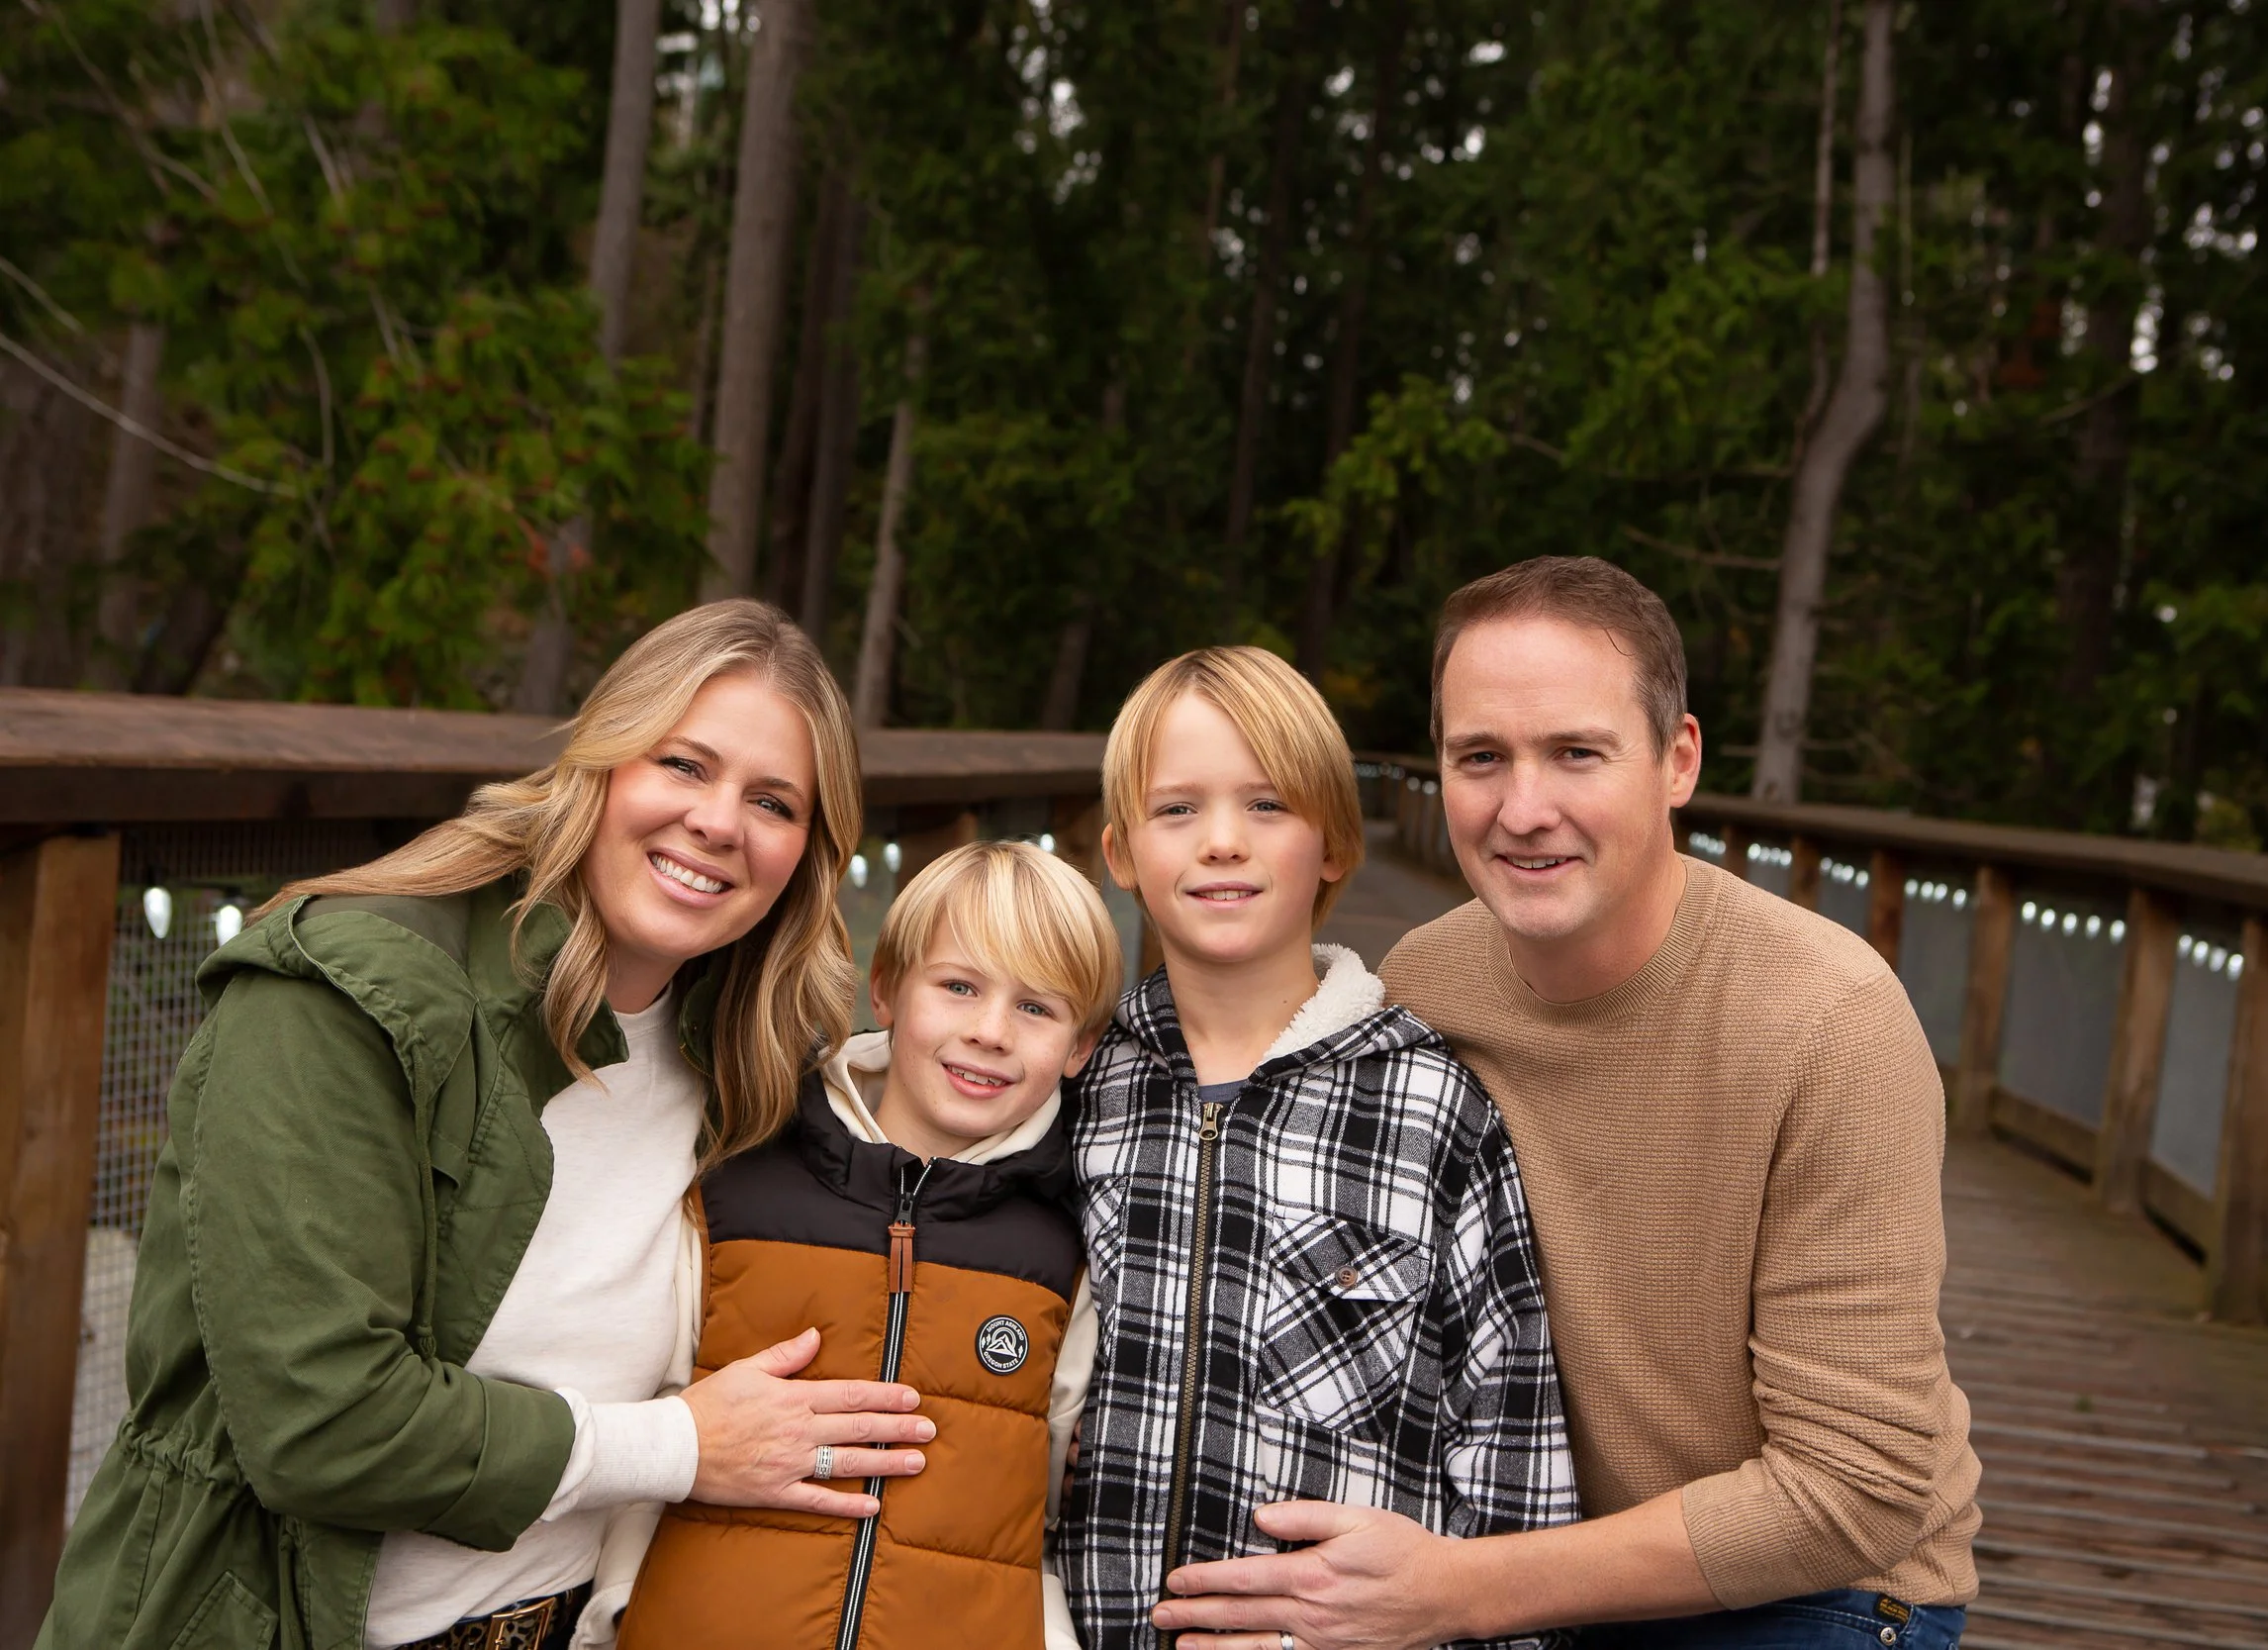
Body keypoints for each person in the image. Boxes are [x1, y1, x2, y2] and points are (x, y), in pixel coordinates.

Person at [38, 602, 939, 1650]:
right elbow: (319, 1419)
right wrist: (681, 1447)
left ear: (807, 852)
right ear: (601, 761)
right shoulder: (350, 991)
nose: (719, 822)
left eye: (773, 801)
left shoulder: (749, 1058)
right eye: (683, 764)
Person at [1150, 558, 1979, 1650]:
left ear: (1677, 759)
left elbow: (1856, 1485)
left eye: (1576, 753)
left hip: (1807, 1594)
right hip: (1509, 1549)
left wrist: (1457, 1590)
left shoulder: (1829, 1019)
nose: (1523, 810)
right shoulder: (1422, 984)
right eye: (1480, 757)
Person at [1056, 645, 1579, 1650]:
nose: (1221, 841)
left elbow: (1515, 1461)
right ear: (1120, 853)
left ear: (1334, 842)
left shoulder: (1432, 1107)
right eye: (1177, 809)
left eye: (1267, 805)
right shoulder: (1076, 1086)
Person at [613, 839, 1119, 1650]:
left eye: (1036, 1007)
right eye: (959, 986)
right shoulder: (739, 1181)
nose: (990, 1031)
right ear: (885, 989)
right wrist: (613, 1615)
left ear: (1081, 1046)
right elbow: (652, 1421)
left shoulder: (1070, 1244)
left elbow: (1054, 1514)